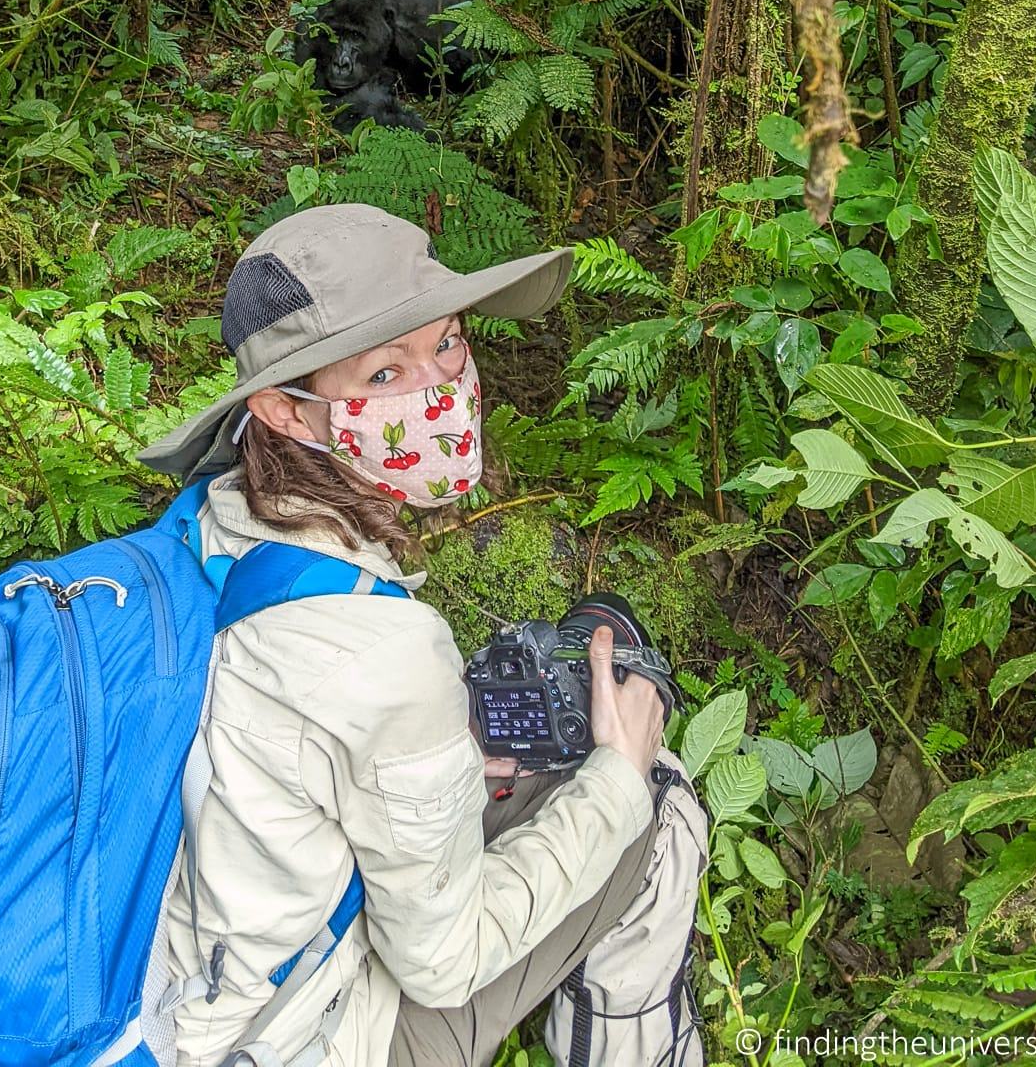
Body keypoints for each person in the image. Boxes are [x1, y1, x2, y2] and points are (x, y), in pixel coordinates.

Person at [140, 203, 708, 1067]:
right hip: (300, 1040)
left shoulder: (214, 525)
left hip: (183, 990)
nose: (437, 389)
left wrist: (429, 778)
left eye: (445, 343)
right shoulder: (380, 648)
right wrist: (619, 778)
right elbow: (444, 964)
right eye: (382, 377)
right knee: (656, 805)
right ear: (287, 413)